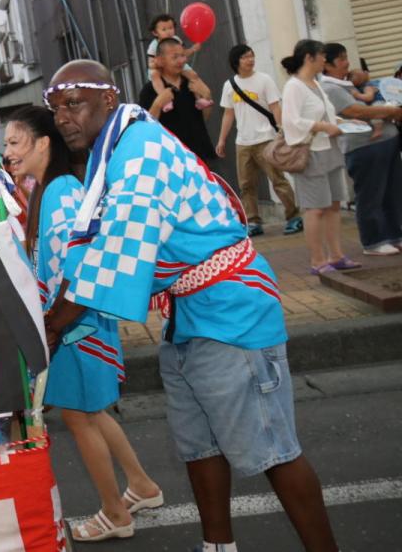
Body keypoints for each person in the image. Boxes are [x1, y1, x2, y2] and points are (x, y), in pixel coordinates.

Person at [44, 60, 338, 552]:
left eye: (73, 103)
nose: (64, 118)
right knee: (201, 450)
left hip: (230, 312)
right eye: (55, 110)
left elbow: (114, 253)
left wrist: (52, 326)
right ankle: (217, 546)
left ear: (109, 101)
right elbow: (99, 253)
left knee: (274, 452)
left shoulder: (137, 151)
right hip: (190, 313)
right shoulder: (119, 147)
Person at [5, 106, 161, 543]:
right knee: (91, 411)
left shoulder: (61, 191)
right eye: (6, 145)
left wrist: (54, 323)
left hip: (75, 324)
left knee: (78, 416)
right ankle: (142, 486)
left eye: (15, 142)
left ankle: (116, 513)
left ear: (43, 143)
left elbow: (73, 267)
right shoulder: (48, 189)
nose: (8, 152)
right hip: (74, 321)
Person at [280, 40, 358, 274]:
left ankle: (336, 256)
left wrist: (343, 122)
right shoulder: (294, 86)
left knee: (333, 205)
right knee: (315, 208)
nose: (325, 60)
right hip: (310, 153)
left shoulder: (316, 83)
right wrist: (323, 127)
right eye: (322, 56)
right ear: (308, 58)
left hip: (330, 149)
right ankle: (318, 261)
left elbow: (327, 114)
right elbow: (291, 121)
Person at [320, 42, 402, 256]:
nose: (347, 63)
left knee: (392, 193)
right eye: (341, 59)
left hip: (386, 143)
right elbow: (356, 110)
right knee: (370, 195)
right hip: (364, 148)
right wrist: (390, 111)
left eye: (346, 57)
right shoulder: (329, 88)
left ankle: (396, 235)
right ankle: (373, 241)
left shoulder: (348, 83)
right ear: (326, 65)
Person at [215, 44, 303, 237]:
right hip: (243, 142)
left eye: (252, 56)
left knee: (277, 180)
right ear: (236, 61)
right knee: (246, 185)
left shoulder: (264, 80)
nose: (250, 60)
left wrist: (281, 130)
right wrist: (222, 139)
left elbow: (275, 107)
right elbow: (228, 114)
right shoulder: (229, 85)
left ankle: (294, 217)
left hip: (266, 139)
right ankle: (253, 221)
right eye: (245, 57)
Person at [139, 38, 217, 161]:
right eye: (175, 57)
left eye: (182, 56)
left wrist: (206, 95)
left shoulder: (191, 82)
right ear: (160, 60)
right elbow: (145, 128)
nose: (181, 61)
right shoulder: (149, 90)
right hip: (174, 161)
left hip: (203, 155)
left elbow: (204, 118)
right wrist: (158, 104)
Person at [145, 13, 212, 109]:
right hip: (160, 68)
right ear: (155, 33)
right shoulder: (154, 45)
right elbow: (151, 64)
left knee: (193, 75)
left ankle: (198, 99)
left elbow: (183, 54)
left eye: (171, 28)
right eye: (164, 29)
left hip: (178, 65)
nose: (168, 32)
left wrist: (193, 49)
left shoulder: (176, 40)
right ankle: (165, 100)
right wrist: (158, 64)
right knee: (155, 75)